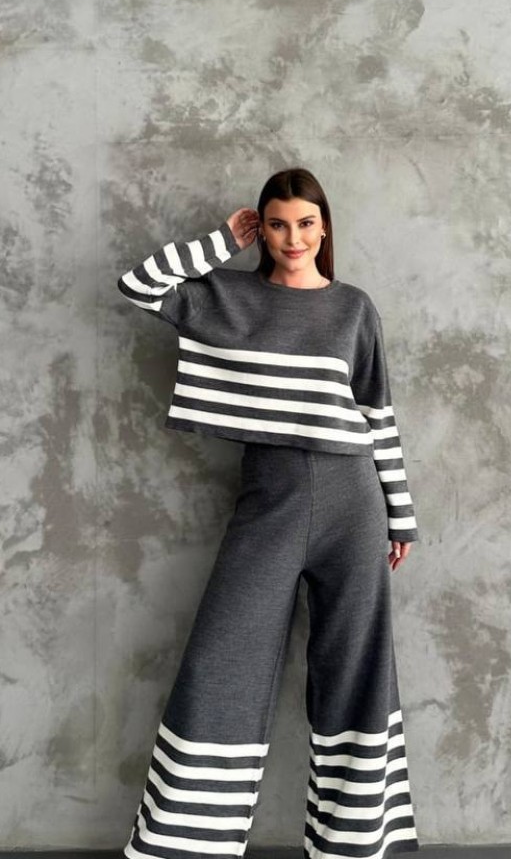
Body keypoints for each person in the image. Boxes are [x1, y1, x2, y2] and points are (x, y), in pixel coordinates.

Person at [117, 167, 420, 857]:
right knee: (221, 664)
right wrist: (220, 243)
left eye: (306, 224)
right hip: (270, 501)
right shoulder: (228, 298)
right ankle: (182, 847)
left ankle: (355, 847)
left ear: (324, 227)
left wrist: (401, 517)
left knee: (359, 670)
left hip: (353, 503)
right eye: (277, 225)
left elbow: (377, 416)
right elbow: (140, 285)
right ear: (262, 229)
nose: (293, 238)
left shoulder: (353, 309)